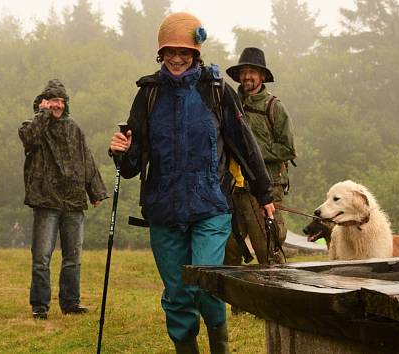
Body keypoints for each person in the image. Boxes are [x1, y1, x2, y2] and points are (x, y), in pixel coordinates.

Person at [108, 13, 274, 354]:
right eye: (171, 51)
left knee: (206, 284)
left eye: (185, 52)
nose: (178, 58)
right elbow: (133, 167)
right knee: (178, 295)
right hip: (163, 210)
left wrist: (264, 194)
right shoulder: (149, 95)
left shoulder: (217, 92)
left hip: (210, 207)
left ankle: (220, 347)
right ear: (161, 53)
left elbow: (245, 145)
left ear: (196, 53)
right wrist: (121, 152)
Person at [19, 79, 108, 320]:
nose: (58, 105)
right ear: (43, 103)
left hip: (73, 201)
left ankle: (71, 303)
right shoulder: (33, 126)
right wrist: (43, 115)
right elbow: (29, 139)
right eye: (53, 101)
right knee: (41, 258)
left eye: (61, 101)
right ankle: (40, 306)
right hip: (45, 201)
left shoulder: (74, 128)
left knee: (73, 257)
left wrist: (96, 191)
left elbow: (87, 159)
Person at [224, 47, 297, 267]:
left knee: (267, 250)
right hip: (234, 188)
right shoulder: (229, 104)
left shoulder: (274, 107)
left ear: (262, 76)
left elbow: (288, 149)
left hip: (267, 189)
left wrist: (251, 154)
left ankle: (272, 299)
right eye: (244, 71)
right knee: (229, 249)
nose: (247, 76)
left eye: (252, 72)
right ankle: (236, 301)